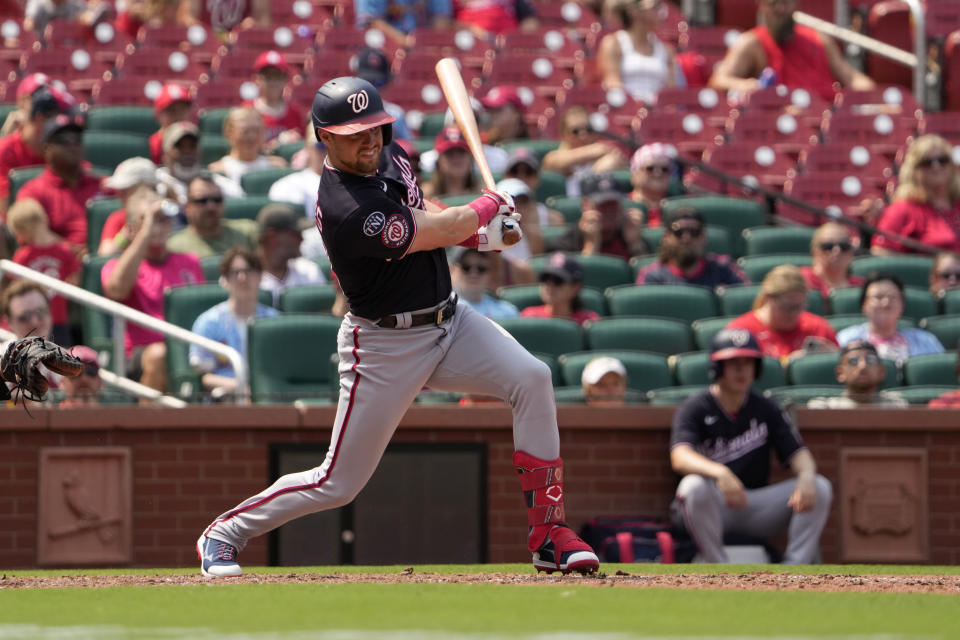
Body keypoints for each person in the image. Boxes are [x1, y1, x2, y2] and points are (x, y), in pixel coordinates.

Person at [196, 76, 598, 578]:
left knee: (532, 378)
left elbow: (422, 209)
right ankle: (225, 532)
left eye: (375, 127)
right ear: (325, 137)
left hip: (450, 322)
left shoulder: (391, 153)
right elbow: (429, 231)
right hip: (385, 344)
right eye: (353, 132)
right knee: (337, 483)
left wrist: (481, 236)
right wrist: (482, 209)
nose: (369, 140)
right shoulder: (346, 207)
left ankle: (549, 535)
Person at [670, 328, 833, 564]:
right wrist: (720, 472)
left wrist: (806, 476)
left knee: (819, 486)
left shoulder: (765, 407)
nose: (742, 370)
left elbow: (800, 455)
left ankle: (795, 570)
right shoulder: (696, 406)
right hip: (715, 504)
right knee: (693, 486)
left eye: (748, 363)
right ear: (717, 368)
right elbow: (680, 456)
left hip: (755, 506)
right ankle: (717, 567)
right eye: (734, 363)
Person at [102, 187, 204, 392]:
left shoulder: (190, 261)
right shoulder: (115, 265)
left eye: (162, 218)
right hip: (139, 356)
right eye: (146, 219)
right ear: (131, 228)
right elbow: (116, 289)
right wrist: (145, 233)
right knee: (161, 354)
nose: (157, 225)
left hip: (186, 349)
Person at [708, 0, 874, 102]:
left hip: (826, 118)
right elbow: (718, 80)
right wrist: (747, 85)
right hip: (784, 125)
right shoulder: (751, 43)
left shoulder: (818, 40)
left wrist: (868, 95)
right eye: (773, 3)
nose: (780, 9)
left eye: (786, 2)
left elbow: (851, 77)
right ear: (762, 6)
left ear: (796, 4)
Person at [189, 247, 278, 397]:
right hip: (225, 402)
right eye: (235, 272)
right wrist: (243, 388)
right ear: (225, 280)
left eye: (249, 271)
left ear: (261, 276)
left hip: (270, 398)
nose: (242, 278)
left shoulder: (275, 321)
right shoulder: (208, 322)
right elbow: (202, 377)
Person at [16, 109, 106, 255]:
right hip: (58, 269)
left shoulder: (103, 184)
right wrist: (75, 253)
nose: (72, 145)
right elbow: (31, 235)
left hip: (106, 260)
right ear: (46, 149)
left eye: (77, 140)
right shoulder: (32, 191)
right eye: (63, 141)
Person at [7, 198, 81, 345]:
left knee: (60, 360)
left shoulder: (64, 251)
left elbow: (74, 282)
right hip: (31, 321)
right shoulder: (23, 255)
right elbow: (17, 290)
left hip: (58, 318)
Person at [726, 264, 837, 363]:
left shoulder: (817, 328)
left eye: (799, 307)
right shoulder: (741, 333)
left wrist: (831, 355)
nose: (794, 314)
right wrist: (787, 363)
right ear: (768, 298)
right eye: (788, 308)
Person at [872, 135, 960, 255]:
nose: (936, 166)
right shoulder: (901, 210)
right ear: (913, 170)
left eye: (942, 160)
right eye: (927, 162)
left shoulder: (956, 203)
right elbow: (881, 254)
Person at [836, 271, 944, 364]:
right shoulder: (845, 339)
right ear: (864, 305)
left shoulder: (925, 340)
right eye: (878, 297)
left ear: (902, 305)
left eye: (892, 297)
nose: (886, 303)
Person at [0, 84, 71, 214]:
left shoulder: (62, 147)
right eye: (61, 119)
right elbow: (5, 209)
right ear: (40, 119)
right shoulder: (6, 150)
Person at [636, 206, 748, 287]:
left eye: (694, 232)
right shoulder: (652, 276)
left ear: (704, 237)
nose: (686, 238)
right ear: (666, 237)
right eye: (678, 232)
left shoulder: (723, 268)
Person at [598, 0, 679, 104]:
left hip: (658, 114)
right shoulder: (613, 43)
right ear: (634, 11)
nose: (661, 12)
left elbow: (670, 90)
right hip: (625, 112)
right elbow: (612, 83)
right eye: (655, 6)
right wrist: (637, 104)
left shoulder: (667, 50)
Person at [553, 173, 646, 260]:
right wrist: (591, 245)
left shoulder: (629, 234)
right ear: (585, 206)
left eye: (613, 205)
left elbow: (646, 273)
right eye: (602, 206)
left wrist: (635, 245)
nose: (609, 212)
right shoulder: (566, 243)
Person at [542, 105, 627, 197]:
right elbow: (553, 162)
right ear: (563, 134)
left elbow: (613, 163)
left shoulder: (605, 155)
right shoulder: (554, 157)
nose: (583, 135)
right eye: (575, 131)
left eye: (588, 130)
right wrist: (597, 150)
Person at [166, 174, 258, 258]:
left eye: (216, 200)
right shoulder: (174, 247)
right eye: (202, 201)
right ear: (187, 208)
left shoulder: (247, 232)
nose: (211, 207)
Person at [155, 121, 244, 206]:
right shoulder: (155, 182)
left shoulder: (215, 182)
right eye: (179, 147)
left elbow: (239, 199)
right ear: (165, 153)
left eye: (192, 146)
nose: (187, 152)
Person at [256, 202, 326, 307]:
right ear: (272, 237)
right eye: (295, 234)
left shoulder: (308, 271)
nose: (302, 239)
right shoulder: (242, 275)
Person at [807, 340, 908, 409]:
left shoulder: (897, 407)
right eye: (853, 361)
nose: (863, 366)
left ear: (882, 372)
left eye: (870, 360)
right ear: (840, 373)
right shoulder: (825, 408)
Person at [98, 157, 162, 256]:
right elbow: (105, 254)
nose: (119, 195)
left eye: (125, 190)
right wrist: (127, 234)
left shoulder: (170, 214)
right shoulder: (117, 218)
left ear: (147, 188)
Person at [208, 107, 287, 187]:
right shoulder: (218, 170)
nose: (251, 137)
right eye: (245, 131)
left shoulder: (278, 166)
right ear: (229, 133)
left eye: (257, 130)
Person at [243, 51, 305, 147]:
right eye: (268, 77)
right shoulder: (247, 110)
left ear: (286, 79)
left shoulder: (294, 112)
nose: (273, 82)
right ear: (256, 79)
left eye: (278, 76)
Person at [521, 252, 600, 327]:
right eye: (545, 279)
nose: (549, 285)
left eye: (557, 280)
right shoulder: (529, 316)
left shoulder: (588, 321)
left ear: (576, 287)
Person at [353, 47, 412, 141]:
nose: (373, 88)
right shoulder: (346, 112)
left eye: (379, 83)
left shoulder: (396, 115)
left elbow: (407, 149)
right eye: (368, 82)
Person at [799, 222, 864, 303]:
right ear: (815, 253)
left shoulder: (861, 287)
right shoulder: (802, 280)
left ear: (851, 253)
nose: (837, 251)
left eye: (843, 246)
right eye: (828, 246)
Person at [449, 247, 519, 319]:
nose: (473, 274)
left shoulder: (507, 312)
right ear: (451, 271)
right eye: (466, 267)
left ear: (490, 273)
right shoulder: (444, 310)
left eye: (481, 268)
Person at [355, 0, 452, 48]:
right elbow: (373, 23)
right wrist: (407, 42)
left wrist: (431, 45)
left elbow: (440, 21)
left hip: (423, 47)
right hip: (384, 49)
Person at [625, 142, 677, 227]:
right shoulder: (621, 207)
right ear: (635, 175)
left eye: (664, 169)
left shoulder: (678, 208)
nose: (658, 173)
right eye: (650, 168)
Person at [421, 126, 479, 199]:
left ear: (470, 157)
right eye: (449, 153)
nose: (456, 159)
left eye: (461, 152)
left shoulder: (482, 193)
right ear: (439, 159)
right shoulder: (425, 194)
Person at [149, 83, 194, 165]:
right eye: (171, 110)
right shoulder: (152, 146)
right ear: (157, 114)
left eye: (182, 109)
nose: (178, 115)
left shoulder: (195, 141)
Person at [0, 72, 50, 137]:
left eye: (47, 98)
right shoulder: (15, 120)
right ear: (22, 102)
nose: (41, 103)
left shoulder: (59, 123)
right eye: (35, 97)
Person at [454, 0, 538, 38]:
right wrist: (470, 29)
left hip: (506, 46)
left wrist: (519, 40)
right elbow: (445, 23)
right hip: (471, 42)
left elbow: (529, 20)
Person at [23, 0, 111, 36]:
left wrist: (90, 16)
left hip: (67, 45)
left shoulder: (74, 3)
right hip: (43, 44)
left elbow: (86, 16)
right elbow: (28, 24)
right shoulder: (38, 3)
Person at [180, 0, 270, 32]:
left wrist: (253, 24)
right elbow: (187, 17)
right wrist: (199, 28)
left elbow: (263, 19)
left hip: (240, 44)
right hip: (207, 43)